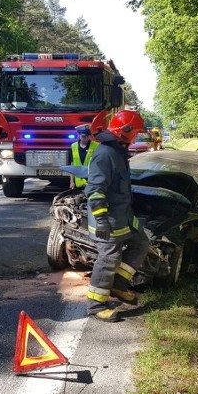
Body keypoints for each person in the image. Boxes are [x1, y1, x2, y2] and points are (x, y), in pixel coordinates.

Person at [84, 110, 150, 322]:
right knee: (109, 258)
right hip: (107, 219)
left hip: (123, 217)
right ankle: (96, 305)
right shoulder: (105, 154)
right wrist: (101, 219)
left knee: (141, 244)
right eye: (136, 132)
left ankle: (118, 284)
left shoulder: (119, 150)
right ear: (126, 131)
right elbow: (95, 190)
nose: (137, 137)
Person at [70, 123, 99, 189]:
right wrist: (72, 182)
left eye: (87, 136)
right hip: (78, 183)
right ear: (79, 135)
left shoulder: (96, 146)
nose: (85, 139)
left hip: (91, 182)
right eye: (83, 136)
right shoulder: (73, 146)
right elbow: (72, 165)